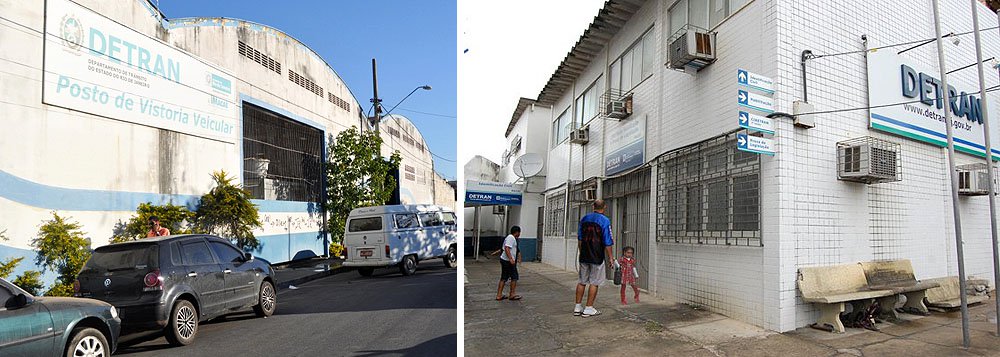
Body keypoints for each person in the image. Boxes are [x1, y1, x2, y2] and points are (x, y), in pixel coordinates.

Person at [574, 199, 614, 317]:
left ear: (593, 206)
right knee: (594, 282)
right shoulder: (605, 221)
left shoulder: (584, 219)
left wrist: (582, 252)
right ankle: (589, 308)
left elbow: (580, 238)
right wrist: (611, 258)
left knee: (582, 281)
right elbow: (607, 241)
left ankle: (577, 307)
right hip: (597, 256)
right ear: (604, 207)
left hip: (584, 255)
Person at [496, 225, 522, 301]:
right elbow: (507, 248)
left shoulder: (510, 237)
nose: (519, 234)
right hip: (508, 261)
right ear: (517, 232)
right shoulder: (511, 238)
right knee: (514, 277)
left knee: (504, 277)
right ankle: (512, 294)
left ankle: (499, 295)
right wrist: (511, 258)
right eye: (519, 232)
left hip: (505, 260)